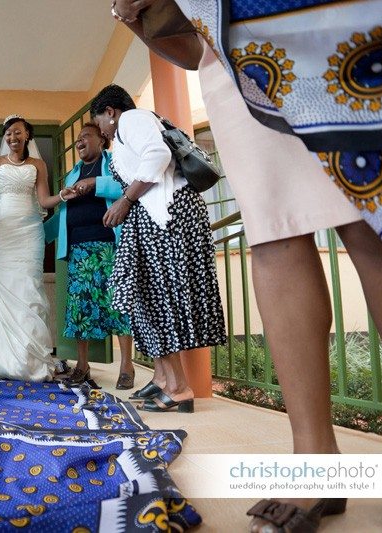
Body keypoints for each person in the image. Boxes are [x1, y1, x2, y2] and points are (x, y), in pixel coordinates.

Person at [110, 1, 382, 530]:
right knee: (274, 232)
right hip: (235, 54)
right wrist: (138, 13)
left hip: (337, 19)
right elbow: (187, 40)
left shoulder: (132, 123)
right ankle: (315, 461)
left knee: (373, 223)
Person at [90, 84, 227, 412]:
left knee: (156, 297)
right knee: (144, 298)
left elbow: (158, 155)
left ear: (110, 112)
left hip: (165, 216)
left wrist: (125, 200)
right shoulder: (129, 128)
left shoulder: (132, 119)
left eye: (99, 122)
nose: (100, 129)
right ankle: (165, 380)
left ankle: (179, 387)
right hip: (154, 218)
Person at [0, 115, 78, 382]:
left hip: (30, 233)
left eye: (17, 133)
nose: (12, 138)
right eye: (8, 134)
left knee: (27, 286)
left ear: (27, 135)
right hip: (3, 230)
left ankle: (26, 359)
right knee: (1, 284)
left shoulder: (38, 165)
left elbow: (45, 201)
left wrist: (62, 195)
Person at [46, 122, 135, 389]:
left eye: (86, 136)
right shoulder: (73, 174)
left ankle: (126, 366)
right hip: (78, 250)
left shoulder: (114, 164)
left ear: (101, 141)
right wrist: (34, 234)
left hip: (108, 245)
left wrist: (94, 183)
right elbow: (62, 213)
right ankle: (83, 366)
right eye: (78, 139)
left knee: (117, 305)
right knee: (80, 309)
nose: (80, 142)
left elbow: (127, 188)